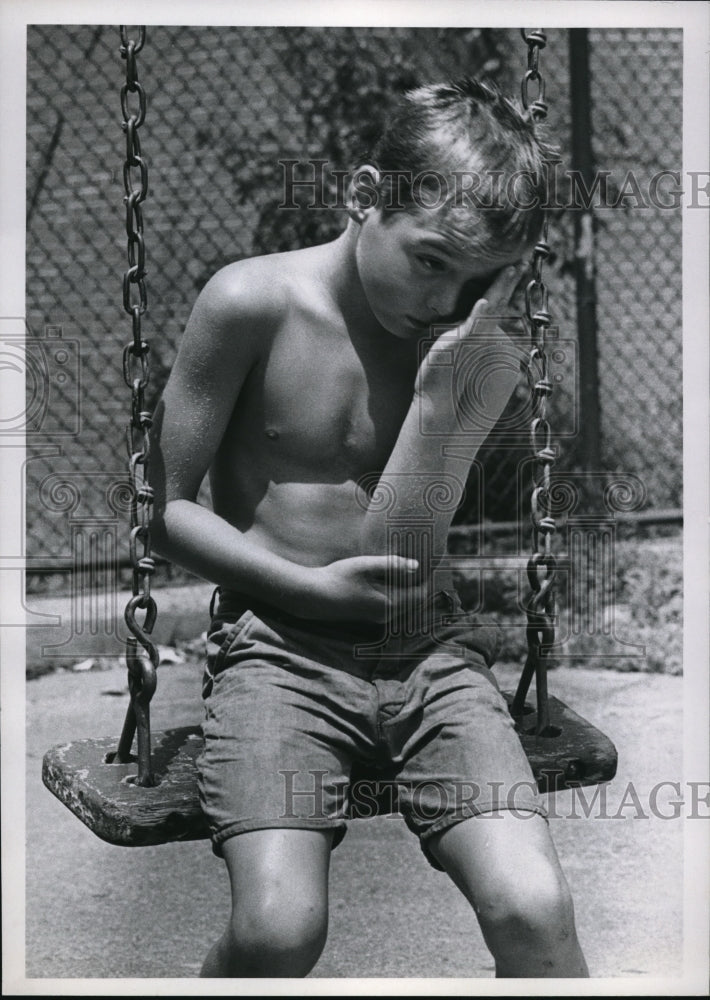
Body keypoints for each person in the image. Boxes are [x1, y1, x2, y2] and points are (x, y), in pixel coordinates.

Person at [149, 76, 589, 979]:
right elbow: (161, 512)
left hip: (429, 656)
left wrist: (439, 400)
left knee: (534, 910)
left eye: (475, 282)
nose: (443, 301)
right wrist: (308, 590)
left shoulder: (473, 357)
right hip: (276, 654)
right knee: (279, 930)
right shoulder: (249, 304)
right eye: (431, 261)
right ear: (362, 197)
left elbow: (403, 549)